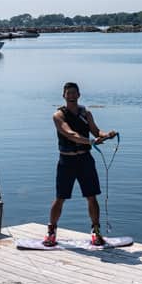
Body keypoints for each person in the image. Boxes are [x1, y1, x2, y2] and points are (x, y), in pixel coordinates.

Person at [44, 81, 118, 247]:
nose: (71, 96)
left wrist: (107, 135)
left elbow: (96, 131)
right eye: (68, 93)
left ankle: (96, 232)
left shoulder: (86, 113)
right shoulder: (58, 116)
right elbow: (70, 134)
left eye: (74, 93)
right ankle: (51, 233)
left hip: (85, 160)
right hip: (66, 161)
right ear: (64, 96)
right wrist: (91, 141)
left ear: (79, 95)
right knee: (60, 198)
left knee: (91, 197)